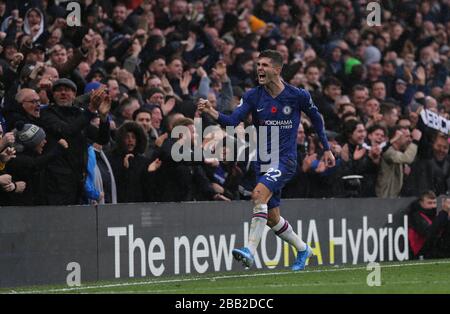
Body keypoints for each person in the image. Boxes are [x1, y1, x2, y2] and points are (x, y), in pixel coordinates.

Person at [198, 50, 335, 271]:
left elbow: (317, 119)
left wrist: (326, 149)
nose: (259, 68)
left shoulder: (298, 95)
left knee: (258, 195)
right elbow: (233, 121)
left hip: (286, 160)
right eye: (258, 65)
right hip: (263, 162)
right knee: (272, 218)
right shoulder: (253, 96)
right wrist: (212, 112)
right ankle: (303, 249)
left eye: (264, 65)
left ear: (277, 70)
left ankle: (249, 251)